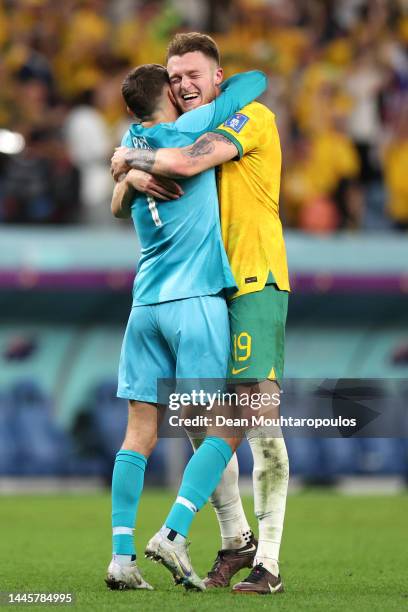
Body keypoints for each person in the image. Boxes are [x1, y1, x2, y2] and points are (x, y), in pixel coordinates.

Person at [111, 32, 290, 596]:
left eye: (195, 73)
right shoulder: (180, 128)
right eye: (175, 76)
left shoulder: (248, 118)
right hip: (210, 293)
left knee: (256, 426)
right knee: (203, 426)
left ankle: (271, 562)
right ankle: (235, 542)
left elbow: (193, 158)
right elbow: (124, 193)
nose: (185, 83)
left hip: (253, 281)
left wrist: (125, 160)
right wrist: (131, 174)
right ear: (164, 86)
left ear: (218, 78)